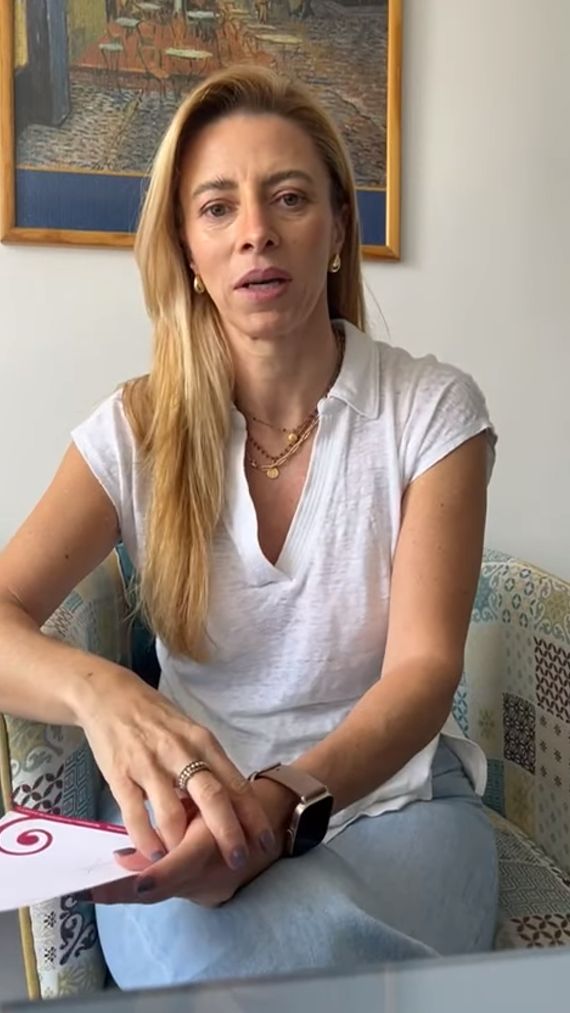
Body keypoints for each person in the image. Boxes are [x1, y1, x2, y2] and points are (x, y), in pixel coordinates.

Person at [0, 65, 499, 990]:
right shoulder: (136, 429)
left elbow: (425, 673)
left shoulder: (432, 412)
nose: (255, 231)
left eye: (289, 197)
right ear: (187, 249)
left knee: (298, 956)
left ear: (339, 228)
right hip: (196, 819)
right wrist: (104, 692)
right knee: (248, 959)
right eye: (218, 207)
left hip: (395, 808)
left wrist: (278, 810)